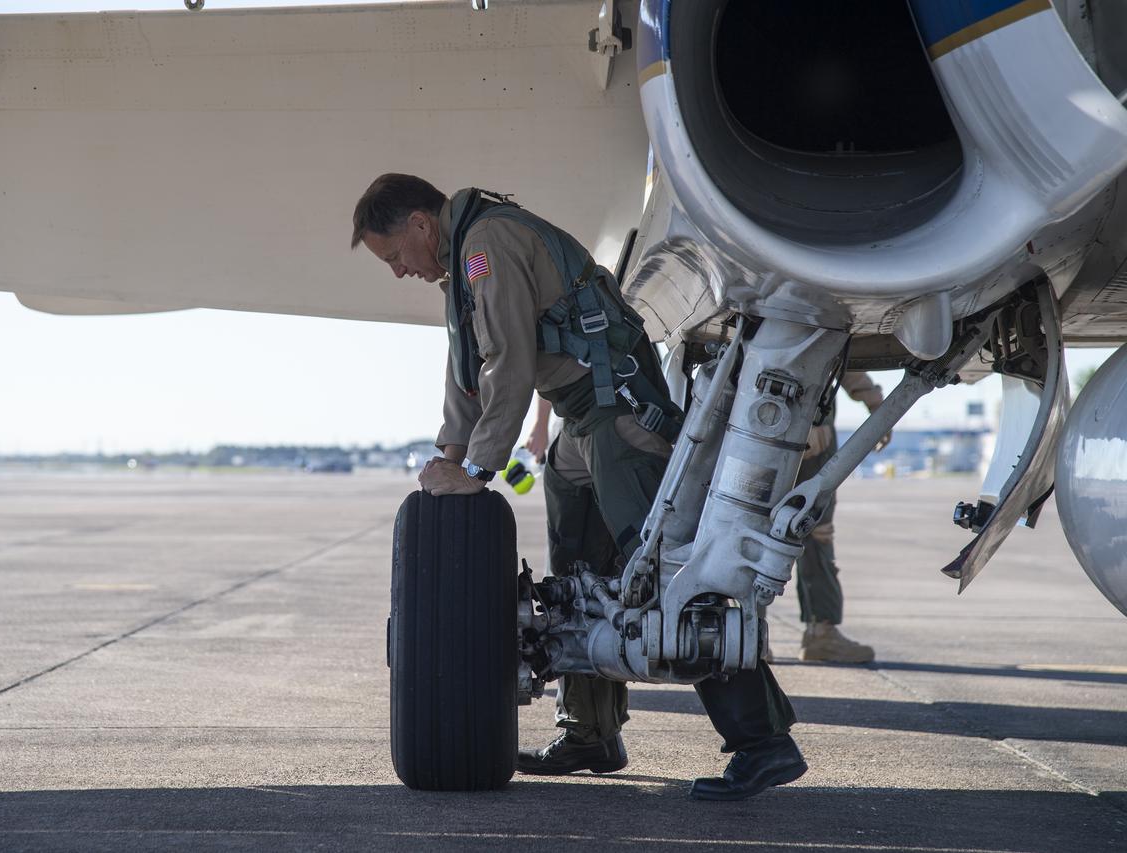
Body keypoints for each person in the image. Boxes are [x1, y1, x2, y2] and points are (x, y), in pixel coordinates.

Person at [352, 173, 806, 801]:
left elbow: (507, 362)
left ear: (421, 225)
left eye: (395, 255)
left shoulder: (488, 243)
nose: (399, 270)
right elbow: (467, 373)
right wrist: (445, 460)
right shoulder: (462, 265)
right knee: (580, 575)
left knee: (666, 576)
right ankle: (590, 732)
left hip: (617, 414)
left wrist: (478, 472)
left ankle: (763, 742)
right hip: (580, 419)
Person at [791, 372, 887, 664]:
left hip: (754, 435)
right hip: (811, 440)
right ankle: (821, 633)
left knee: (751, 528)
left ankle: (753, 635)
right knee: (816, 534)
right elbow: (844, 350)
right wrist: (877, 405)